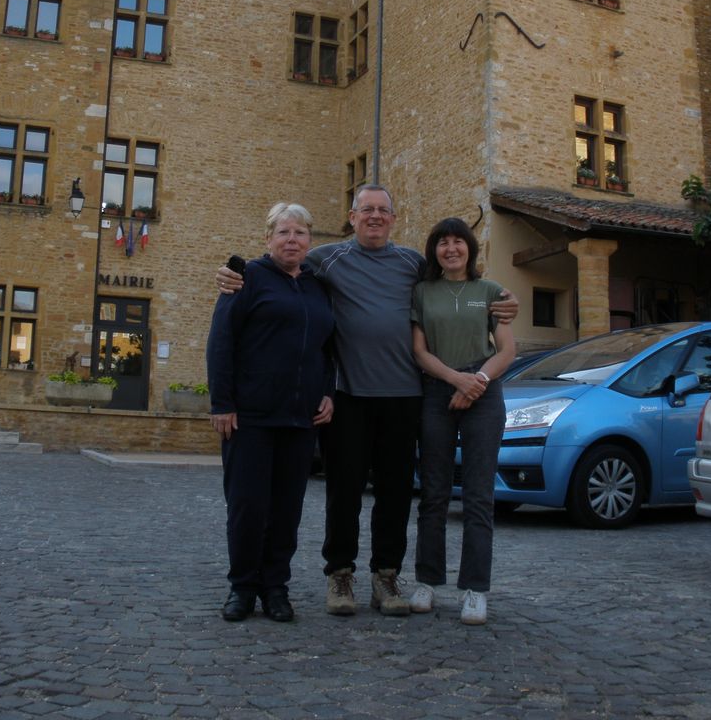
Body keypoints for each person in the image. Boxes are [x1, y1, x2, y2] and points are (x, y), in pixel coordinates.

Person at [216, 185, 519, 617]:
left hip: (405, 397)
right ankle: (339, 574)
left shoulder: (413, 264)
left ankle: (386, 576)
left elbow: (457, 283)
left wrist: (506, 300)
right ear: (352, 217)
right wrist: (234, 273)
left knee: (395, 494)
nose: (375, 216)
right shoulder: (326, 259)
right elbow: (282, 260)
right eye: (366, 210)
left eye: (383, 210)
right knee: (344, 492)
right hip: (350, 396)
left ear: (393, 219)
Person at [206, 202, 335, 623]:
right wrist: (222, 403)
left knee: (286, 511)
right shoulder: (247, 278)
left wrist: (327, 392)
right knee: (247, 507)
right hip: (250, 417)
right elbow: (221, 341)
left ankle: (275, 587)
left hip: (300, 419)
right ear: (268, 238)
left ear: (310, 240)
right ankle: (242, 587)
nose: (292, 240)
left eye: (299, 233)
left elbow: (327, 349)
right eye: (283, 232)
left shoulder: (318, 286)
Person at [409, 216, 515, 624]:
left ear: (470, 248)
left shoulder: (491, 291)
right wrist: (457, 380)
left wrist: (477, 382)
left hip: (484, 393)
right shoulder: (422, 292)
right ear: (434, 250)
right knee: (433, 492)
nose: (450, 249)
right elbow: (419, 351)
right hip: (437, 390)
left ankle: (475, 589)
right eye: (443, 242)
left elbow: (506, 350)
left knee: (478, 494)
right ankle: (427, 582)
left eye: (458, 241)